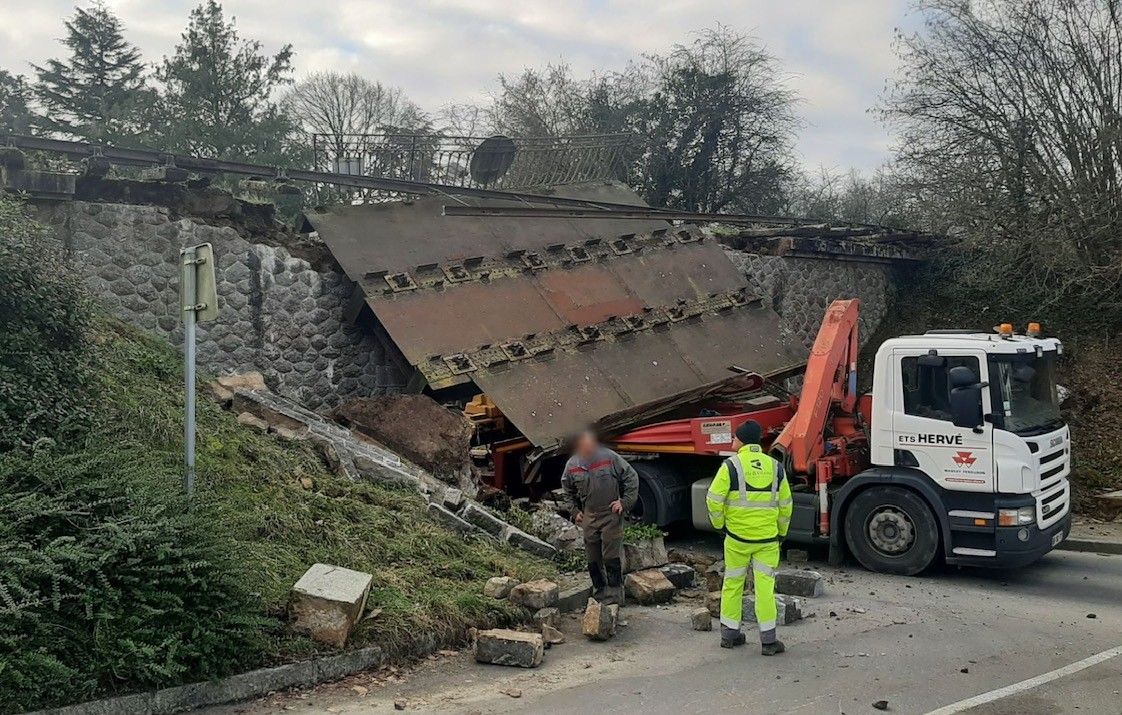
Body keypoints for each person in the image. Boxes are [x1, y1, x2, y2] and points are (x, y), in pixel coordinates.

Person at [705, 420, 793, 655]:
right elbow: (786, 505)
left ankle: (729, 635)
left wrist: (719, 525)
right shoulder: (775, 467)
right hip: (767, 540)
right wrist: (781, 533)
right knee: (765, 587)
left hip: (736, 539)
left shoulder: (730, 466)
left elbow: (713, 499)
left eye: (735, 437)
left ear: (742, 440)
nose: (733, 440)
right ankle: (769, 641)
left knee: (733, 583)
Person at [561, 429, 639, 605]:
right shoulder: (572, 465)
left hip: (610, 513)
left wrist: (625, 502)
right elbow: (567, 490)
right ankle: (600, 594)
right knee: (592, 558)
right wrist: (574, 511)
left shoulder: (609, 457)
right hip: (589, 515)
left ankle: (616, 596)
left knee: (611, 556)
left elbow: (631, 477)